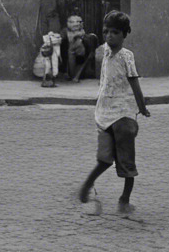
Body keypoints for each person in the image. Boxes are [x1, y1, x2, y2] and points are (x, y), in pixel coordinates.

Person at [78, 11, 149, 215]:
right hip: (104, 115)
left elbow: (134, 82)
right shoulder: (104, 53)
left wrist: (142, 107)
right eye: (106, 31)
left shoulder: (127, 56)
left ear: (124, 34)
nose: (109, 36)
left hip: (124, 117)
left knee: (127, 163)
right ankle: (87, 186)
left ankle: (124, 200)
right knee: (104, 158)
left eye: (115, 32)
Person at [61, 14, 99, 82]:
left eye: (79, 22)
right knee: (71, 65)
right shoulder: (65, 32)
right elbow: (67, 40)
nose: (77, 24)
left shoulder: (82, 32)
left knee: (81, 61)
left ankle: (77, 75)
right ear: (68, 23)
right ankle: (72, 75)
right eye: (73, 22)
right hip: (69, 53)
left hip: (80, 53)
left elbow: (84, 37)